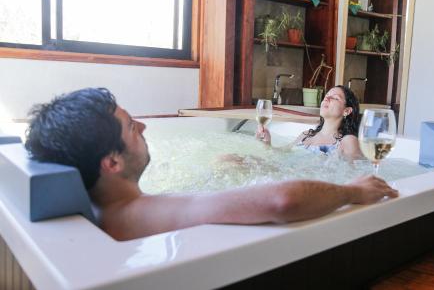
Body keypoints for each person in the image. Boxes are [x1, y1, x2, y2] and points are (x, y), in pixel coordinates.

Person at [25, 88, 398, 241]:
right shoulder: (140, 212)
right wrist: (353, 191)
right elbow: (281, 201)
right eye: (129, 125)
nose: (143, 125)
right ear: (110, 162)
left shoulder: (98, 207)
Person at [257, 85, 364, 159]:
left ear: (347, 111)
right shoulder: (306, 135)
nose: (327, 98)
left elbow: (354, 176)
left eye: (335, 98)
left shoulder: (347, 142)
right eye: (326, 96)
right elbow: (280, 155)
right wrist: (267, 143)